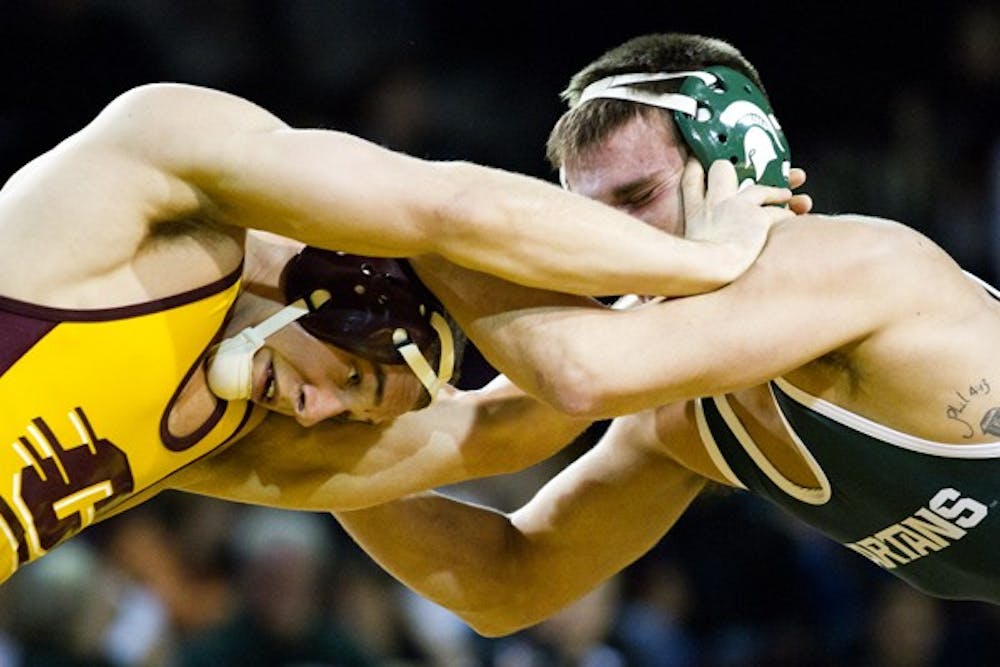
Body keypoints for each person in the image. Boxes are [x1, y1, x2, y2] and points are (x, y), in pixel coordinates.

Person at [334, 32, 1000, 636]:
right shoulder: (680, 413)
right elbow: (507, 581)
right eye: (586, 221)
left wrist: (411, 229)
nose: (614, 245)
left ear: (746, 161)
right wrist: (313, 414)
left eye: (638, 198)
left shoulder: (858, 266)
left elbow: (576, 373)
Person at [0, 80, 797, 584]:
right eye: (353, 377)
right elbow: (448, 209)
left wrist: (685, 311)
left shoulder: (223, 430)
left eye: (349, 408)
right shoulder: (156, 165)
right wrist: (704, 260)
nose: (314, 411)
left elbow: (497, 428)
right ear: (345, 288)